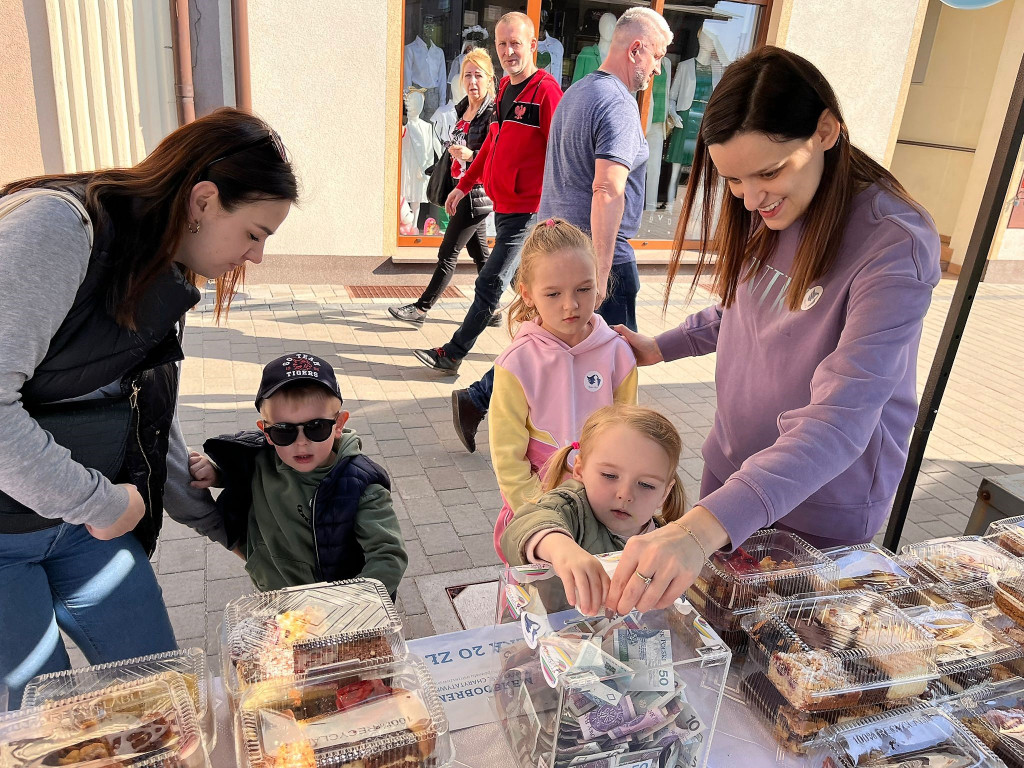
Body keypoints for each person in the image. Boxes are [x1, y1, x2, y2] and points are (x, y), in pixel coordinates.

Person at [601, 46, 942, 616]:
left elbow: (839, 422)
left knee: (788, 678)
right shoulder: (772, 208)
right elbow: (743, 308)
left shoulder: (893, 244)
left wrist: (699, 530)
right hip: (730, 483)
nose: (752, 198)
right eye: (733, 180)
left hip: (819, 507)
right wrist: (660, 347)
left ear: (826, 131)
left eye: (769, 172)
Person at [0, 108, 297, 706]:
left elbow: (151, 425)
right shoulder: (58, 228)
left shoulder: (164, 275)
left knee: (163, 698)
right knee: (45, 722)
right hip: (22, 532)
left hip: (86, 529)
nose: (257, 257)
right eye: (255, 234)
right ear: (205, 200)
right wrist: (100, 501)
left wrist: (230, 534)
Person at [449, 8, 671, 454]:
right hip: (594, 255)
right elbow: (607, 189)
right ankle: (607, 455)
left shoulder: (575, 93)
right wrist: (602, 273)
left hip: (558, 248)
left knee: (549, 342)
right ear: (637, 49)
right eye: (658, 56)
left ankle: (478, 401)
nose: (658, 67)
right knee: (615, 366)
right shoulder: (618, 104)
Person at [414, 12, 562, 442]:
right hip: (505, 205)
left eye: (516, 43)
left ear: (532, 45)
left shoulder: (546, 91)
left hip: (530, 211)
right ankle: (541, 335)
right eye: (502, 45)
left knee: (490, 281)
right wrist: (465, 183)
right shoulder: (503, 91)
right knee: (526, 289)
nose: (509, 52)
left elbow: (559, 155)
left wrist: (553, 214)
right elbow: (493, 142)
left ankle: (453, 354)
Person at [187, 353, 407, 600]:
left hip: (340, 608)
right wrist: (217, 475)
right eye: (284, 432)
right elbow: (242, 475)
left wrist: (349, 606)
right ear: (267, 432)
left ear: (338, 424)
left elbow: (388, 555)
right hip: (275, 595)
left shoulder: (361, 485)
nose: (301, 443)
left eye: (316, 427)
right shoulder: (259, 459)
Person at [489, 219, 637, 562]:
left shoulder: (618, 354)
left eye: (583, 289)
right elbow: (507, 456)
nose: (570, 305)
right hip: (539, 510)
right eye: (553, 294)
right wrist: (539, 514)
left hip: (606, 509)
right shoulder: (516, 363)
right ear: (527, 293)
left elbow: (631, 438)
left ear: (598, 282)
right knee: (543, 602)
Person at [501, 405, 686, 616]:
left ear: (664, 493)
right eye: (609, 475)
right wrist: (560, 548)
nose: (625, 494)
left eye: (646, 484)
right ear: (579, 469)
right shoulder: (572, 507)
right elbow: (525, 524)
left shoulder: (666, 539)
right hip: (545, 635)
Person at [389, 49, 498, 326]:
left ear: (489, 79)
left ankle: (421, 309)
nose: (472, 82)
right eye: (468, 75)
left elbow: (496, 158)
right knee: (481, 256)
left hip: (475, 193)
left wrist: (471, 156)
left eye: (478, 76)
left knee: (447, 254)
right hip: (462, 191)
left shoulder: (492, 115)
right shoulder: (464, 108)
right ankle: (493, 312)